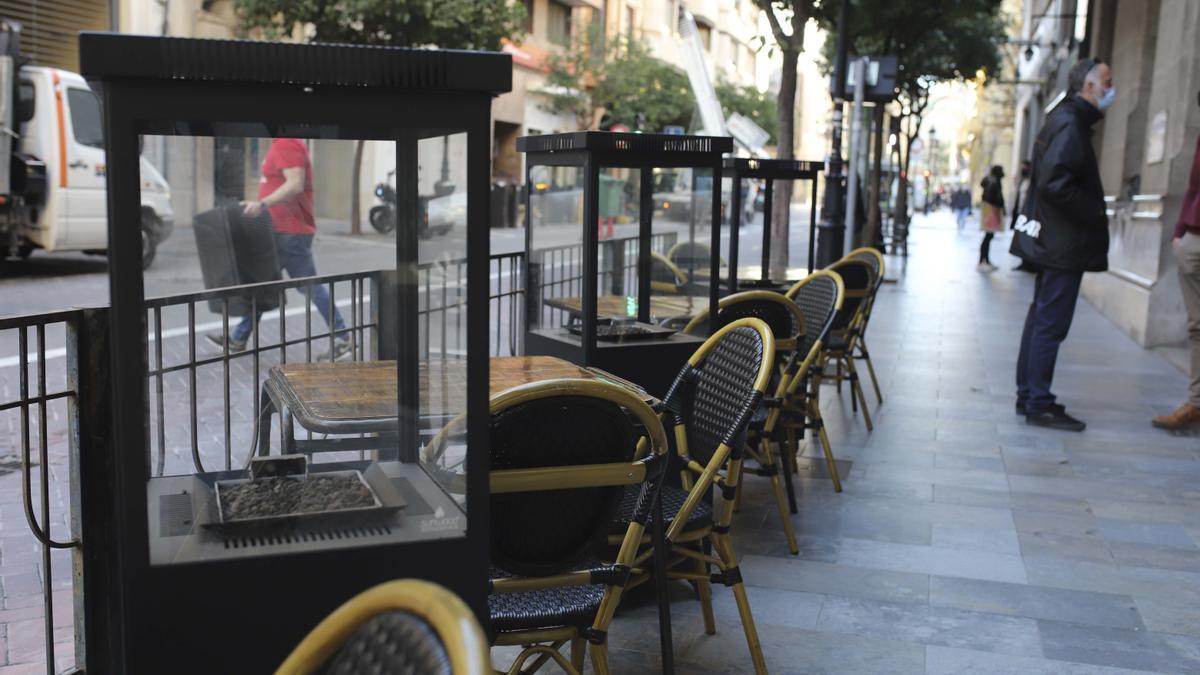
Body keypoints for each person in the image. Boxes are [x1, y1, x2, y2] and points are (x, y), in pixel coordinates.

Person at [1011, 58, 1113, 432]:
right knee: (1049, 322)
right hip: (1062, 243)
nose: (1109, 88)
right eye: (1106, 81)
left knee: (1041, 318)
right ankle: (1037, 400)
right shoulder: (1071, 123)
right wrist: (1093, 212)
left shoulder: (1066, 120)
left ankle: (1030, 395)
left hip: (1056, 241)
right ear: (1088, 86)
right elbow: (1055, 183)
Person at [207, 138, 350, 360]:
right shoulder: (281, 143)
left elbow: (295, 184)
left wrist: (263, 204)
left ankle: (344, 339)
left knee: (307, 286)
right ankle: (238, 338)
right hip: (281, 230)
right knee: (264, 285)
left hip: (290, 232)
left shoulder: (287, 142)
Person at [1153, 90, 1200, 430]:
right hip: (1195, 238)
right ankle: (1197, 404)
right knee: (1197, 326)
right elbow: (1194, 185)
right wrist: (1181, 230)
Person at [1010, 160, 1038, 272]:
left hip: (1029, 214)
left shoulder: (1032, 182)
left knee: (1029, 239)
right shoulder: (1022, 181)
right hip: (1021, 213)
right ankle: (1023, 262)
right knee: (1021, 238)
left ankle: (1030, 263)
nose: (1023, 169)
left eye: (1025, 167)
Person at [978, 166, 1005, 270]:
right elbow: (991, 197)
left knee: (989, 236)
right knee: (988, 236)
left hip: (990, 210)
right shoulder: (993, 181)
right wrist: (998, 206)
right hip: (991, 211)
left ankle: (985, 260)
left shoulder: (991, 180)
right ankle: (983, 261)